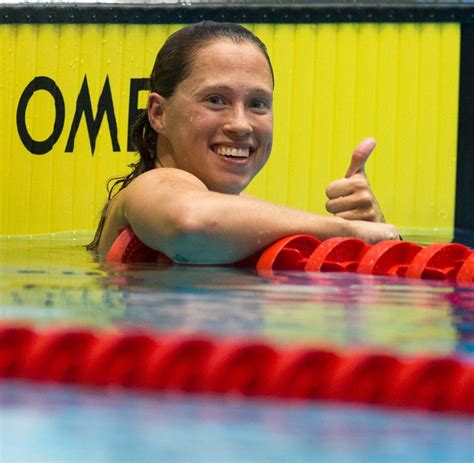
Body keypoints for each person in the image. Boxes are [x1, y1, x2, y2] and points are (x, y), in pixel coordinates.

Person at [88, 21, 398, 264]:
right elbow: (191, 222)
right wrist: (348, 232)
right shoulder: (150, 187)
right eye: (216, 100)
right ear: (159, 114)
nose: (240, 124)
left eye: (258, 104)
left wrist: (372, 233)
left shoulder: (241, 218)